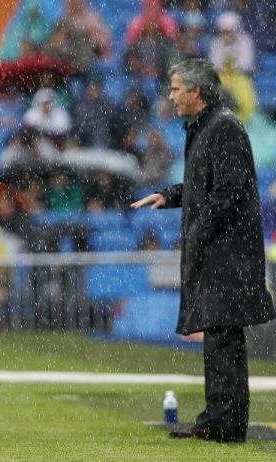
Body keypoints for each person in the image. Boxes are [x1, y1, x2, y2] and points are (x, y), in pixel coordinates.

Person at [131, 58, 276, 443]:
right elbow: (206, 187)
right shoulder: (208, 126)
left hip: (228, 254)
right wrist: (170, 194)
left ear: (196, 91)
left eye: (177, 88)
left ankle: (226, 424)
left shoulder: (223, 128)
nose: (171, 95)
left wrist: (197, 230)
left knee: (224, 338)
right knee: (219, 336)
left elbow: (228, 192)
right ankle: (219, 420)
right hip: (221, 252)